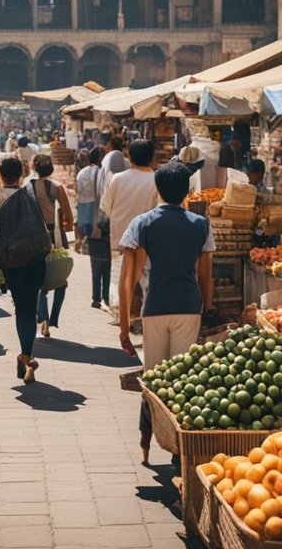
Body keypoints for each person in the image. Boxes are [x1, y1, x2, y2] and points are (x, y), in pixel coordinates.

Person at [118, 161, 215, 464]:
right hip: (189, 308)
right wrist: (208, 308)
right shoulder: (200, 224)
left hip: (155, 307)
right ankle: (179, 449)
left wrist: (124, 327)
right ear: (187, 191)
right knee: (183, 379)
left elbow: (127, 282)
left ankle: (146, 440)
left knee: (154, 381)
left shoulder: (142, 224)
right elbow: (206, 274)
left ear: (157, 189)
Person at [0, 157, 46, 383]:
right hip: (37, 258)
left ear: (0, 173)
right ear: (20, 174)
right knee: (30, 307)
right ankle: (25, 357)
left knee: (23, 310)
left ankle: (26, 356)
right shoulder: (30, 194)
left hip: (14, 261)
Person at [100, 139, 161, 313]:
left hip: (121, 239)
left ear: (129, 157)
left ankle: (124, 316)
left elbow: (107, 208)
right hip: (148, 240)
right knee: (146, 283)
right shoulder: (157, 180)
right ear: (151, 158)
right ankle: (141, 317)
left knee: (123, 280)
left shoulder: (117, 179)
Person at [29, 153, 74, 338]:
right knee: (60, 278)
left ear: (35, 169)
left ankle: (43, 317)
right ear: (51, 169)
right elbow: (68, 216)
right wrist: (67, 228)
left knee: (39, 280)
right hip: (54, 236)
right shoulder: (57, 188)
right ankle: (53, 318)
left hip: (34, 238)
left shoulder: (28, 187)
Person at [75, 148, 103, 257]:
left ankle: (81, 243)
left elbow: (78, 189)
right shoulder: (101, 172)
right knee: (93, 226)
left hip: (83, 202)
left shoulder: (82, 172)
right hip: (94, 203)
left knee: (83, 226)